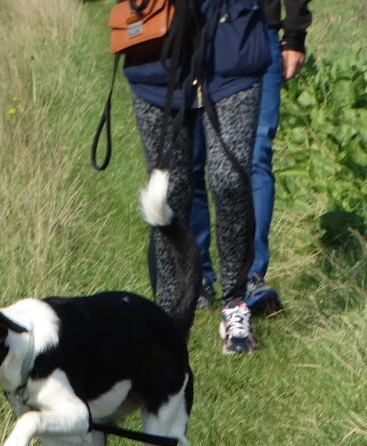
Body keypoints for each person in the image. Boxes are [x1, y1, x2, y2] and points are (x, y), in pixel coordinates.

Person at [123, 0, 271, 354]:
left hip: (232, 38)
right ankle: (169, 315)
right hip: (158, 45)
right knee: (169, 191)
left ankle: (235, 301)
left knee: (229, 178)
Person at [190, 0, 311, 323]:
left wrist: (294, 33)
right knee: (193, 159)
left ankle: (251, 277)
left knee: (255, 157)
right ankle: (198, 275)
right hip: (188, 29)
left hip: (256, 30)